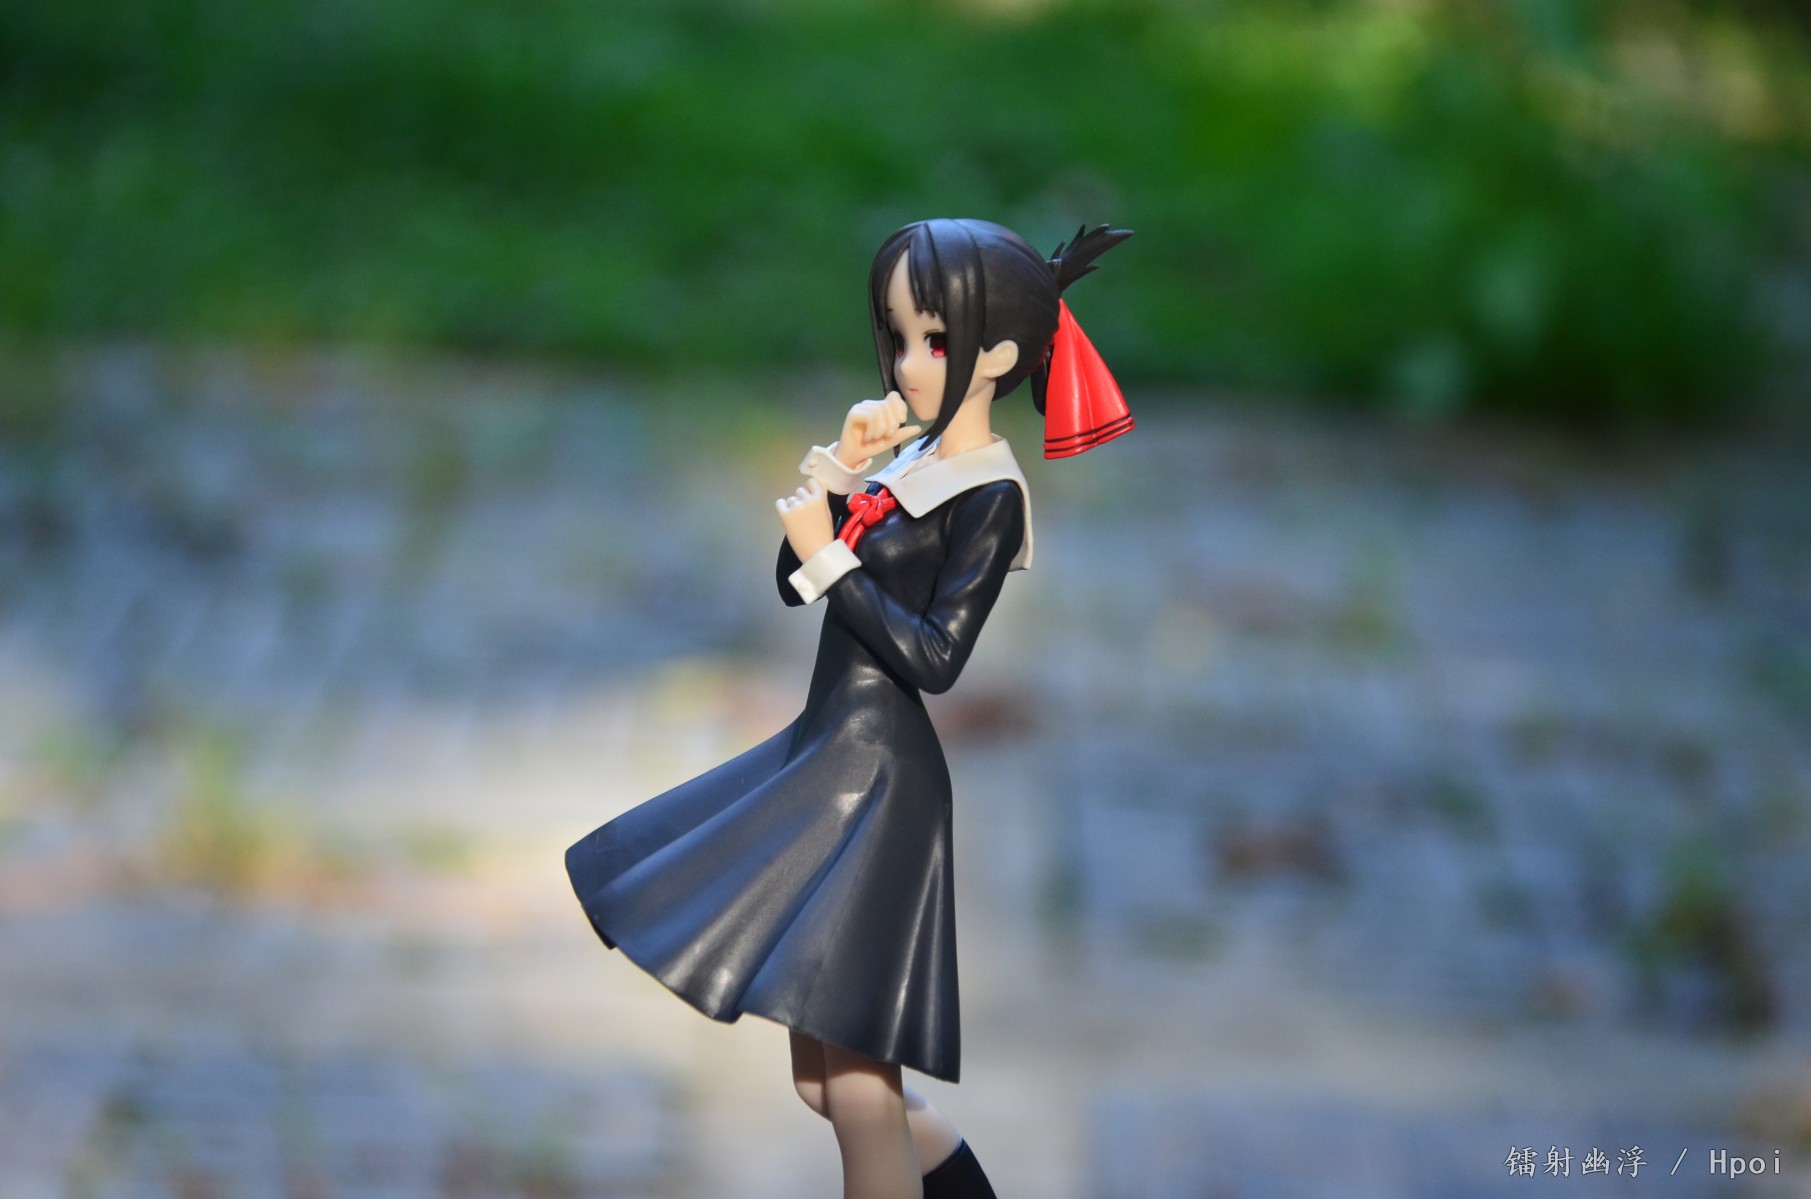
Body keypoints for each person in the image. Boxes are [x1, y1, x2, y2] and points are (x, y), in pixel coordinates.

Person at [566, 218, 1133, 1198]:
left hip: (878, 780)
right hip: (827, 753)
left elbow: (935, 657)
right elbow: (794, 586)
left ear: (999, 356)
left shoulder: (988, 496)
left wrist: (832, 556)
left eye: (935, 341)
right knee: (824, 1082)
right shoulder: (909, 462)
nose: (908, 363)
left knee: (862, 1089)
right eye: (898, 334)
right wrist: (836, 478)